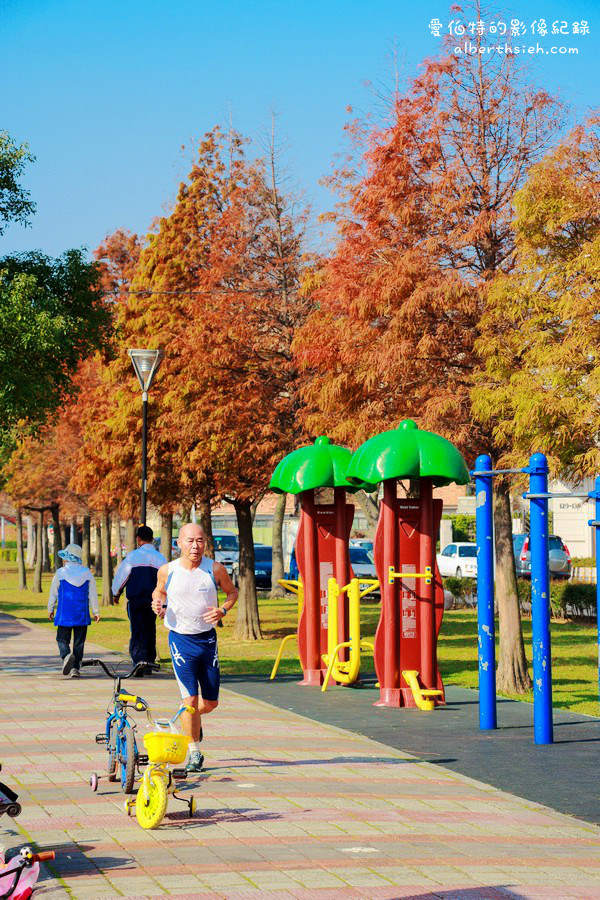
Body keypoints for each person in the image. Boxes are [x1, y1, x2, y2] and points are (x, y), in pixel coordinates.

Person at [152, 523, 238, 773]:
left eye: (200, 540)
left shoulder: (215, 569)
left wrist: (223, 609)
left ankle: (190, 719)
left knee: (210, 703)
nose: (195, 546)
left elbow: (232, 593)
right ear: (179, 543)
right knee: (190, 699)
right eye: (190, 541)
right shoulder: (168, 570)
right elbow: (159, 592)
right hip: (180, 641)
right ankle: (195, 752)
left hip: (208, 642)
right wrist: (157, 603)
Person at [112, 525, 167, 672]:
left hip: (135, 600)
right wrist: (165, 603)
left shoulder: (132, 557)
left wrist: (116, 594)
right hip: (153, 601)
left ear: (138, 539)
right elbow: (166, 581)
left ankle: (138, 662)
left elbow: (121, 577)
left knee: (137, 631)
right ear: (152, 539)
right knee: (150, 629)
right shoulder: (160, 558)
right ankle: (149, 662)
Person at [48, 543, 99, 677]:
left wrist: (50, 608)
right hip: (81, 614)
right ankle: (75, 668)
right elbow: (93, 594)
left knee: (62, 639)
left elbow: (53, 592)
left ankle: (66, 656)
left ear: (67, 558)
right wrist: (96, 612)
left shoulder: (61, 573)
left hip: (64, 613)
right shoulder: (87, 573)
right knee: (79, 642)